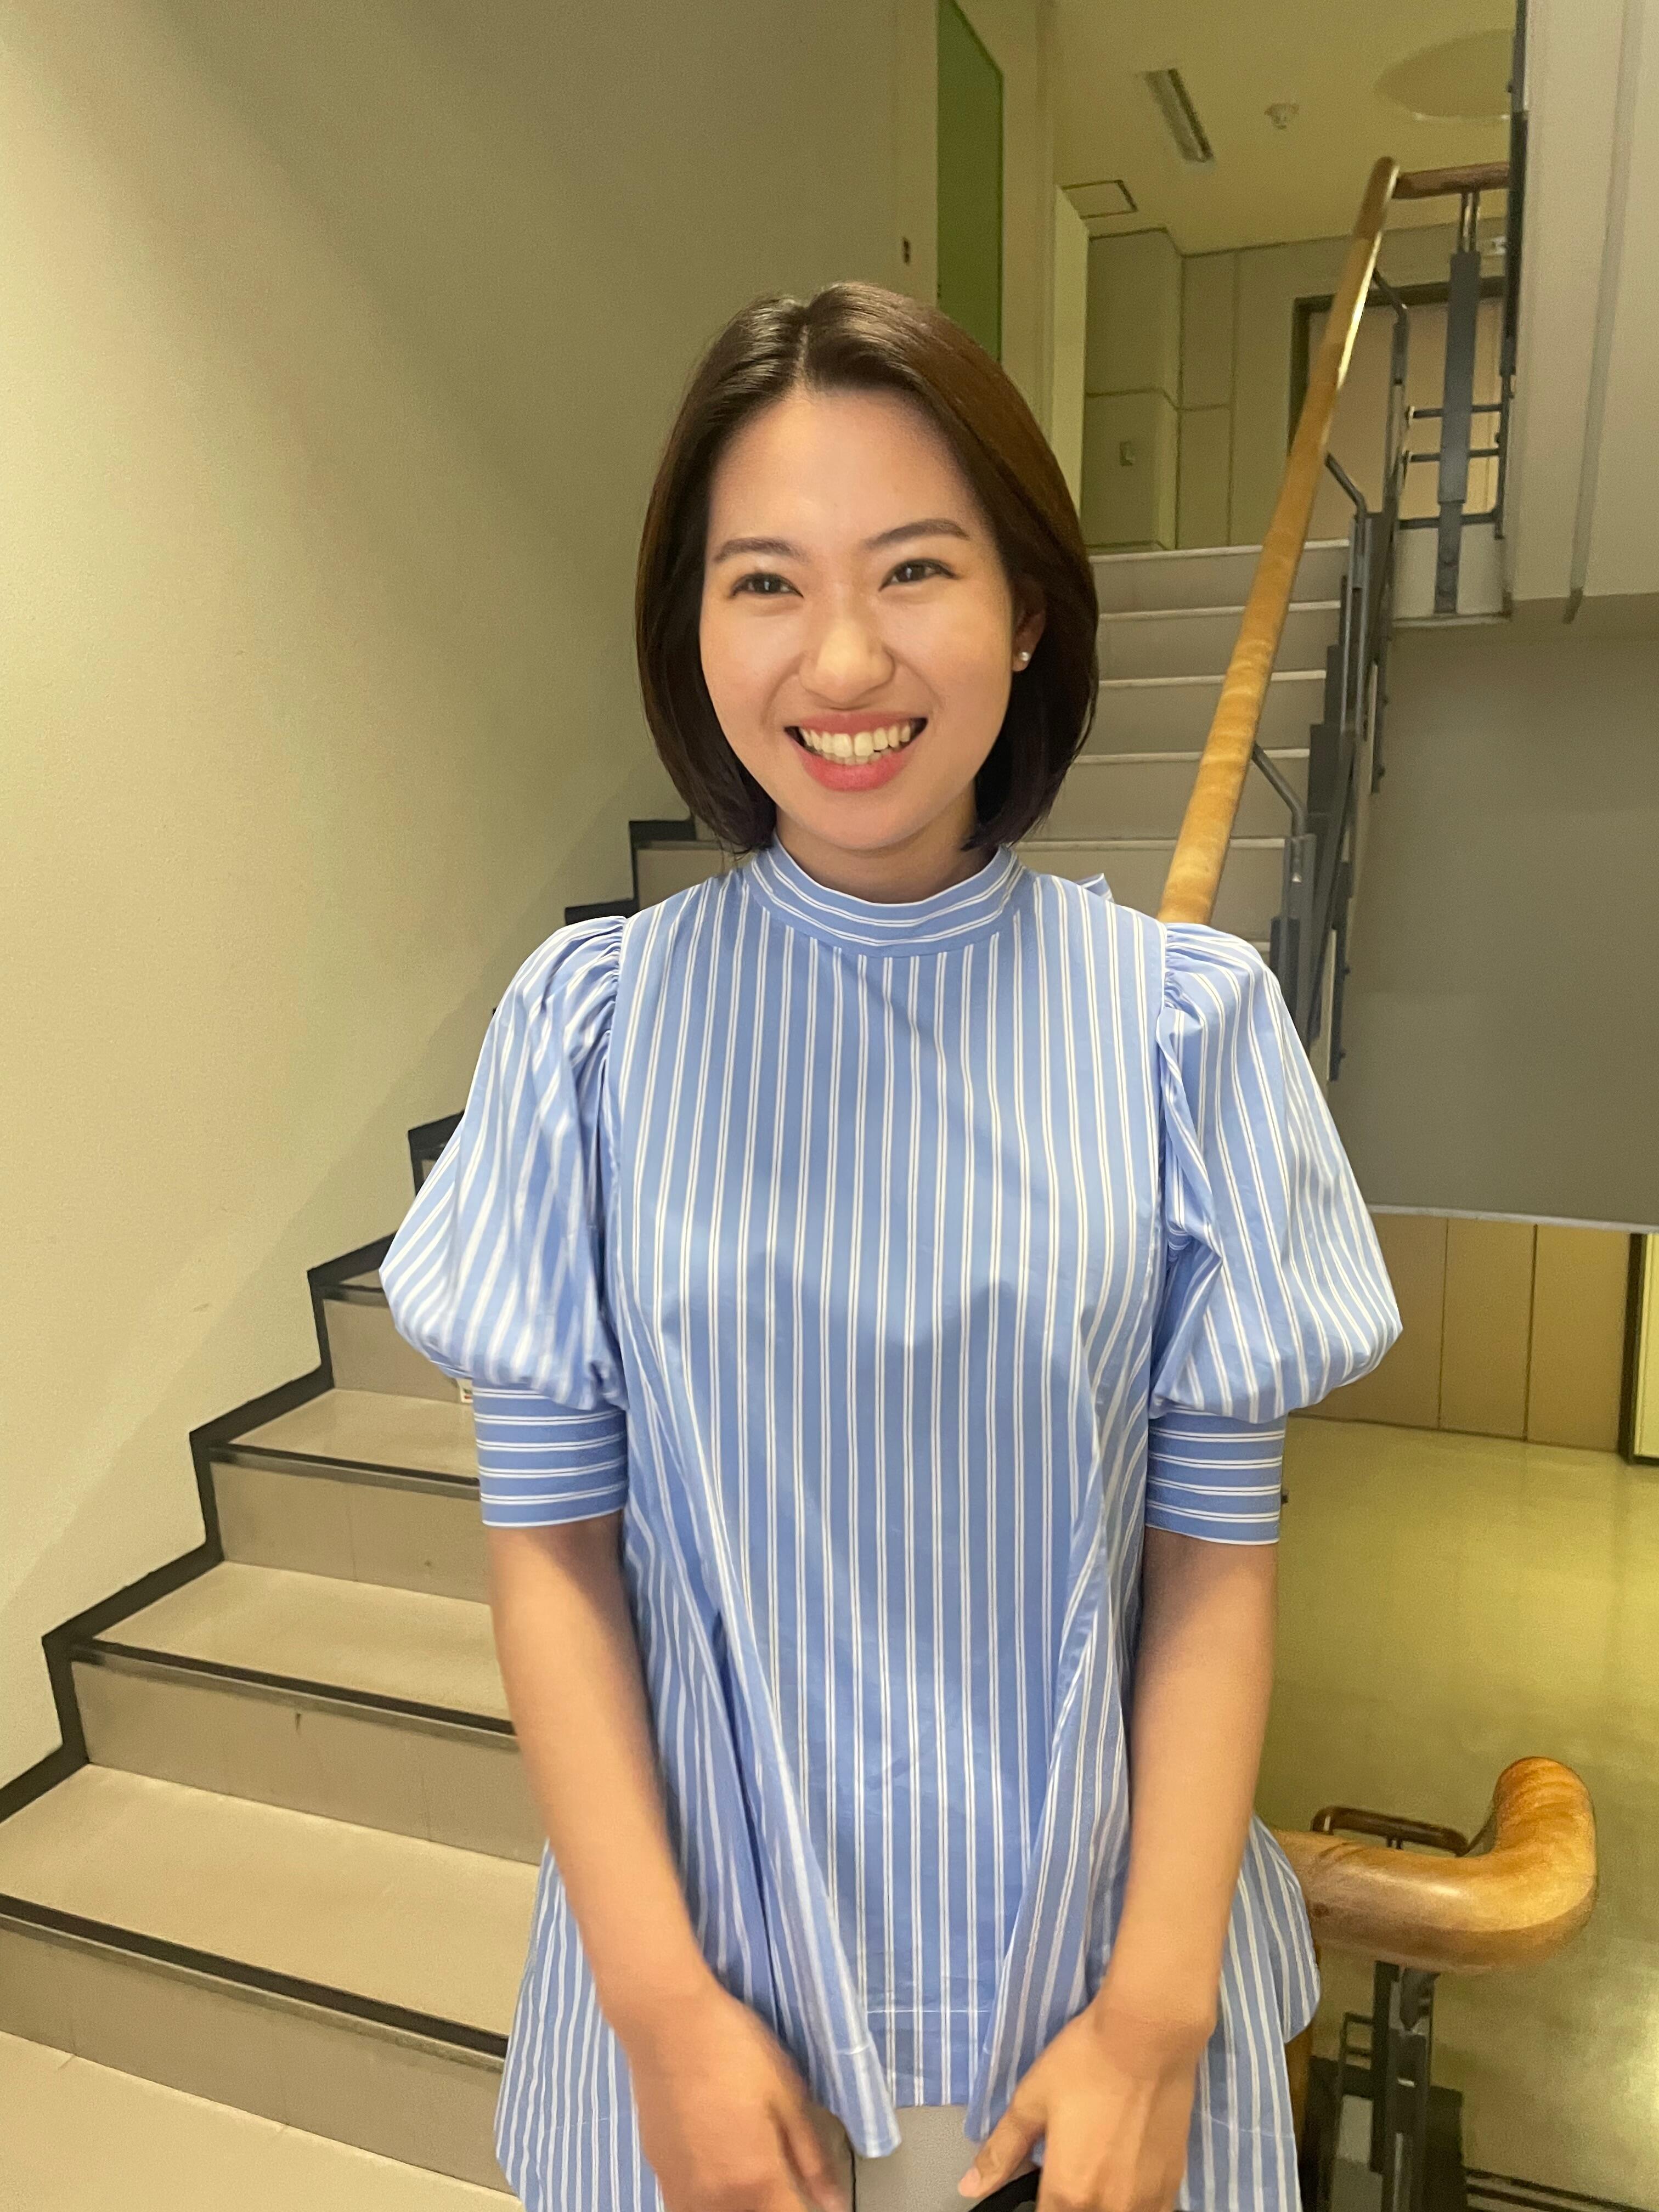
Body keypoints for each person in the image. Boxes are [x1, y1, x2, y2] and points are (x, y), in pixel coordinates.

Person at [380, 279, 1400, 2212]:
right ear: (693, 626)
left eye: (917, 568)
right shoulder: (589, 1031)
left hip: (1092, 2013)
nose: (842, 658)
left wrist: (1154, 2018)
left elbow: (1213, 1567)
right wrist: (662, 2018)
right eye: (765, 581)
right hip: (703, 2023)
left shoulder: (1185, 1033)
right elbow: (553, 1560)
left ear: (1026, 609)